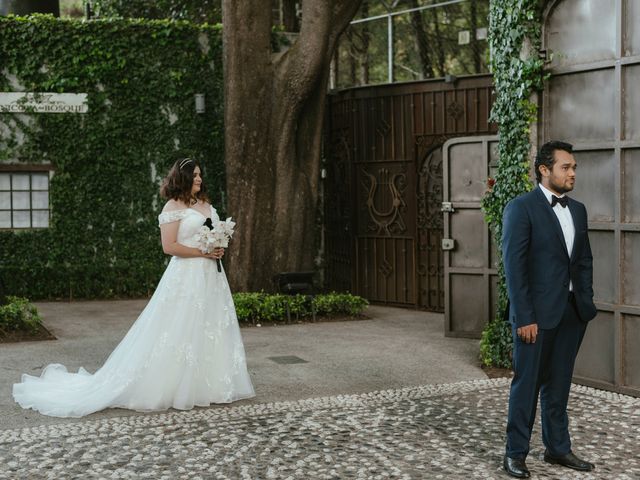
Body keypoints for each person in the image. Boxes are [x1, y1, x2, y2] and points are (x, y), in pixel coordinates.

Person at [13, 158, 255, 417]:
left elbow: (211, 233)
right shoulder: (172, 207)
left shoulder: (206, 204)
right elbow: (169, 246)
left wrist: (216, 247)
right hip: (186, 276)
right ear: (182, 178)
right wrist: (202, 252)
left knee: (211, 325)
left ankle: (211, 385)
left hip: (212, 276)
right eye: (194, 175)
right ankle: (173, 385)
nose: (199, 179)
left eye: (200, 175)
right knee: (179, 327)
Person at [501, 141, 597, 478]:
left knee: (559, 385)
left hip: (572, 313)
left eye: (573, 168)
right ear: (545, 169)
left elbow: (582, 261)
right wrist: (524, 316)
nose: (572, 173)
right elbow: (514, 267)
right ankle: (515, 453)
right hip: (535, 318)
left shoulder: (579, 210)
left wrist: (586, 300)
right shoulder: (521, 208)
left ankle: (558, 448)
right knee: (526, 385)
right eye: (566, 167)